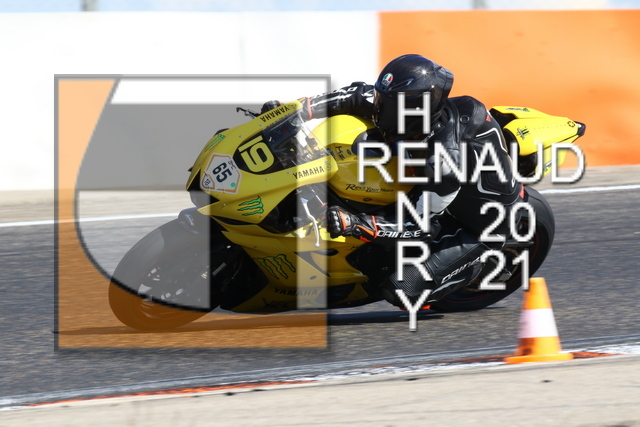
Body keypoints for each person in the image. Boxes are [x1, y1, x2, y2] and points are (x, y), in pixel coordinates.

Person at [266, 54, 523, 307]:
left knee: (402, 290)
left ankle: (482, 265)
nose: (378, 109)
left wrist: (359, 224)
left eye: (388, 106)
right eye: (382, 100)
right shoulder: (416, 115)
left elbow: (419, 225)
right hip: (435, 191)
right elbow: (354, 96)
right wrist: (295, 111)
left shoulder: (445, 162)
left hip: (479, 226)